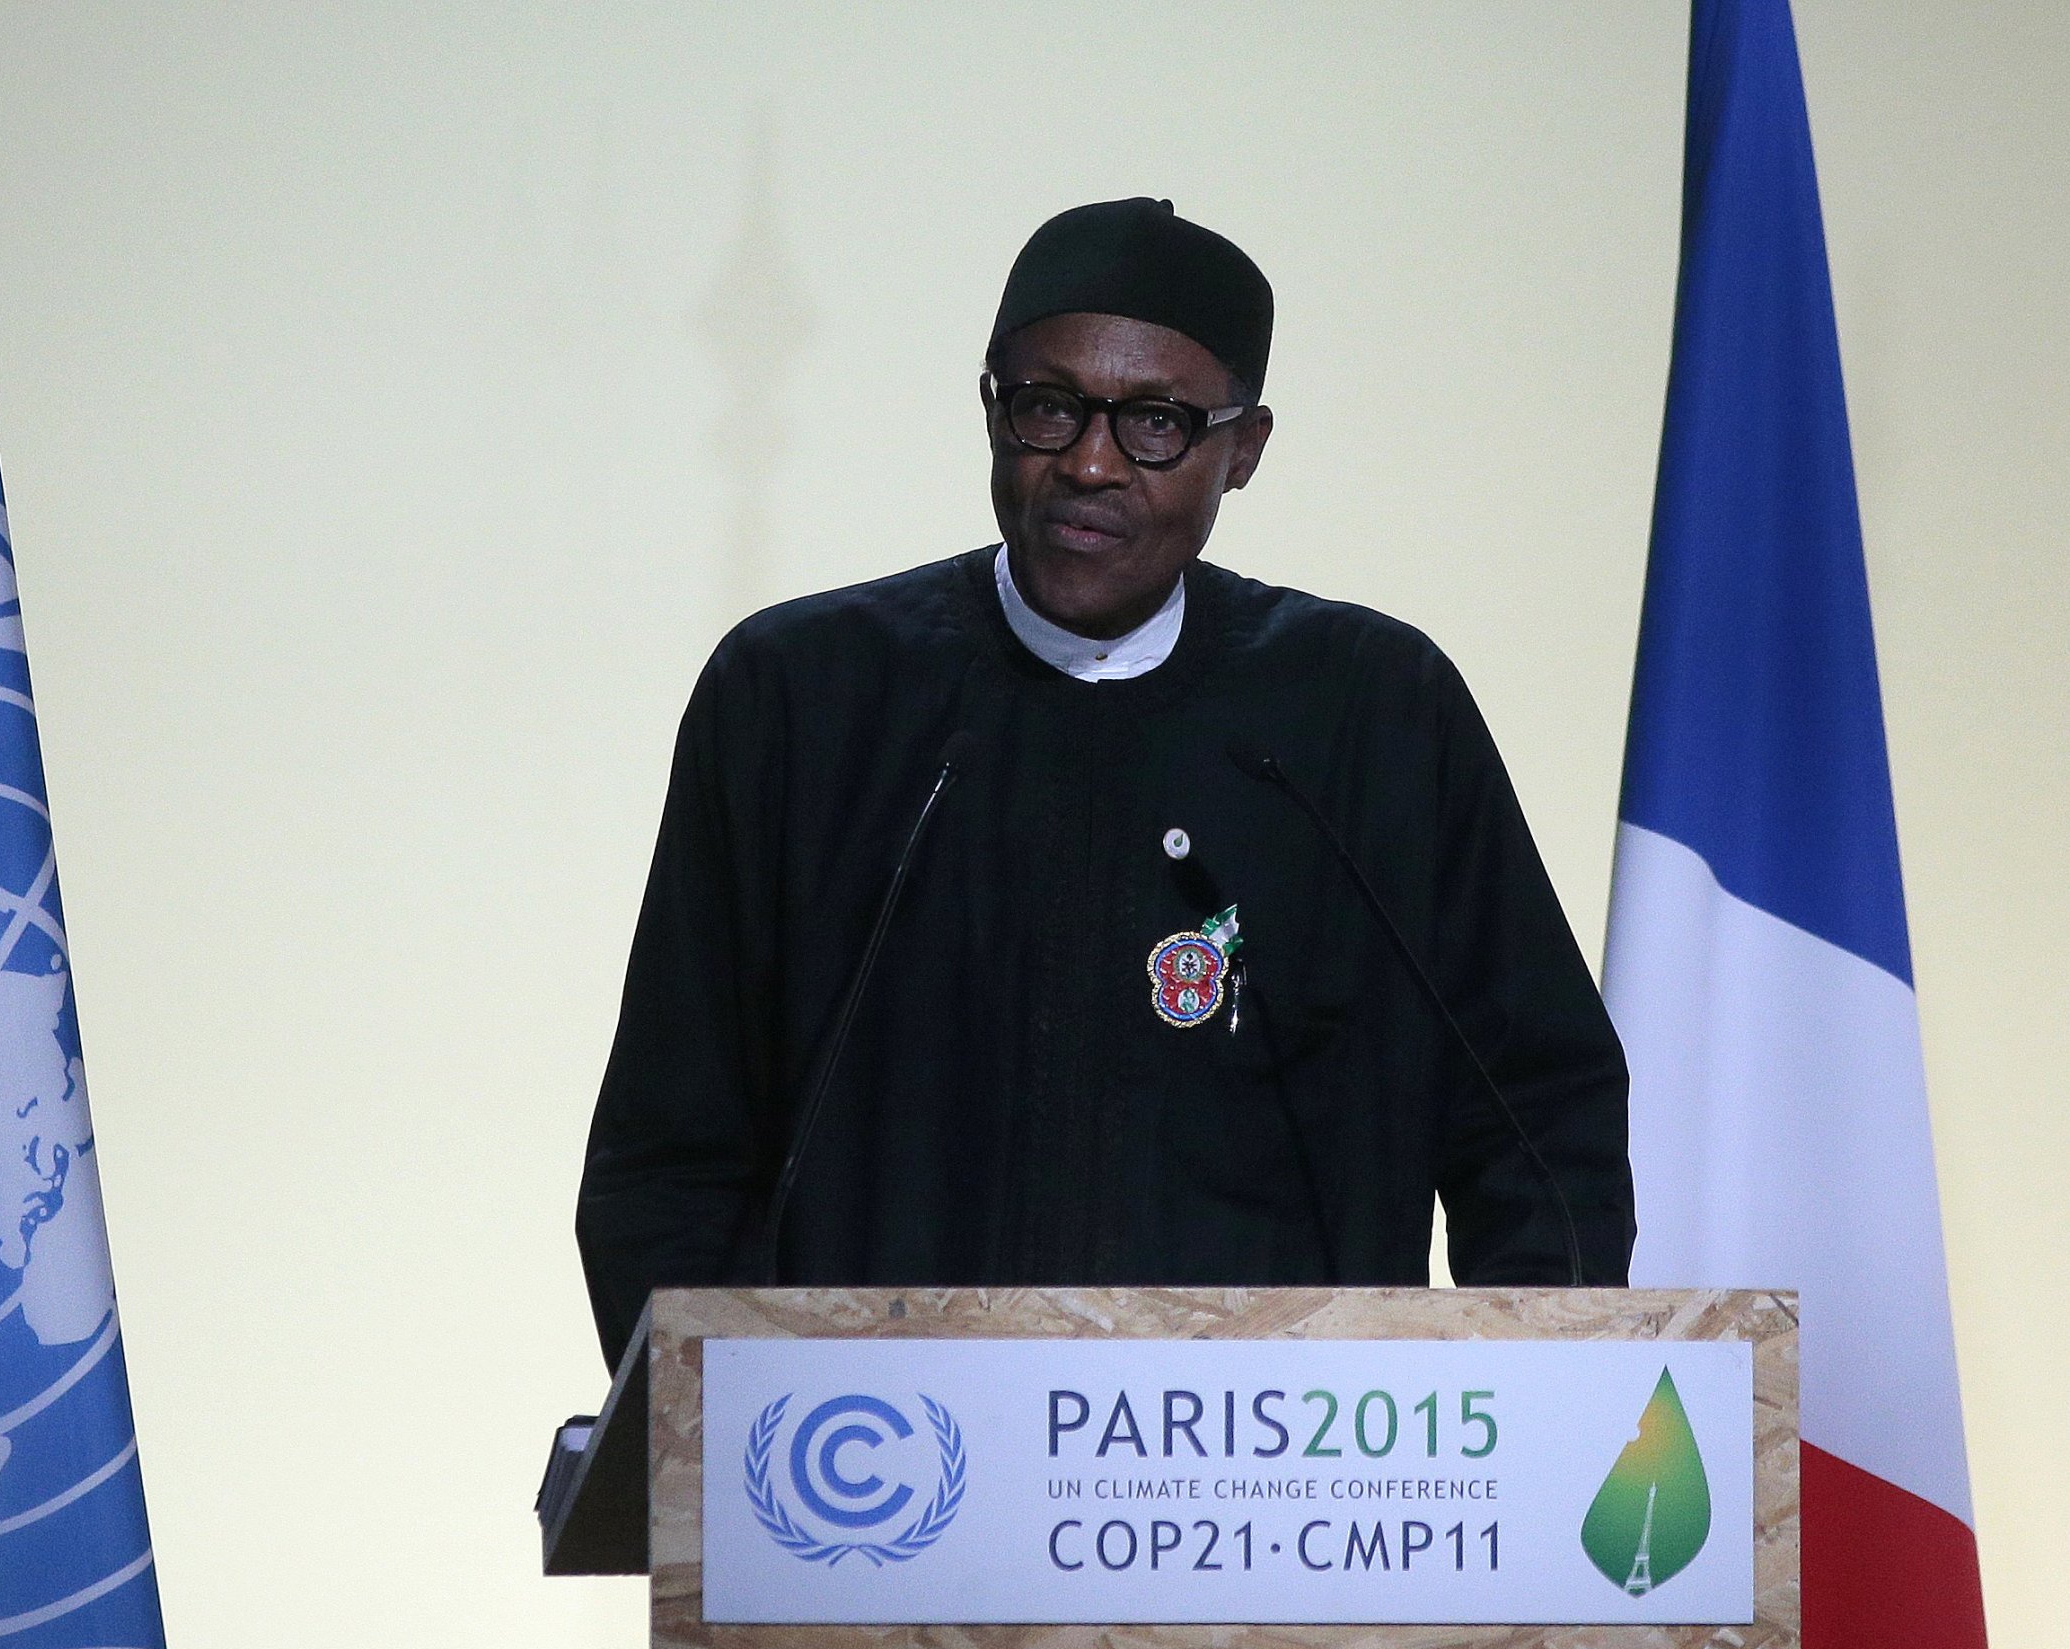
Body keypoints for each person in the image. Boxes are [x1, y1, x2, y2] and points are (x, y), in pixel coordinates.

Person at [574, 197, 1632, 1370]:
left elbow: (1537, 1124)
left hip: (1285, 1485)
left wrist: (1539, 1407)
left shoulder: (1370, 714)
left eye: (1157, 424)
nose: (1088, 461)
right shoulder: (802, 697)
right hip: (878, 1474)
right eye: (1047, 407)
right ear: (991, 407)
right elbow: (668, 1149)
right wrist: (712, 1435)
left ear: (1245, 449)